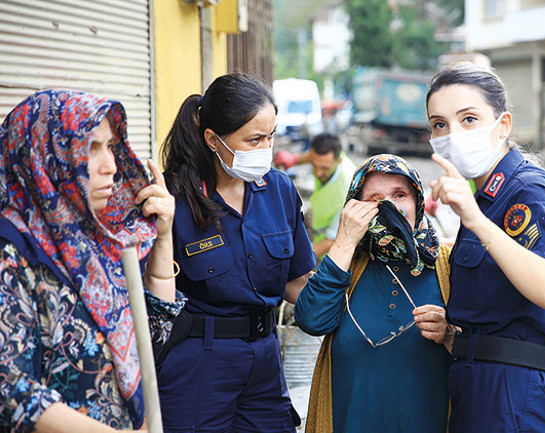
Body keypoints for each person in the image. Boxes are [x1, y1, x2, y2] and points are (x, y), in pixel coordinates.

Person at [0, 89, 184, 432]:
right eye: (90, 149)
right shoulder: (11, 252)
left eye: (111, 147)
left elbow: (153, 335)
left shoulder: (99, 240)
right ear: (45, 156)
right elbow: (10, 390)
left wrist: (162, 237)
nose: (110, 166)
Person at [157, 73, 315, 432]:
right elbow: (151, 299)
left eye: (271, 136)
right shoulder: (174, 198)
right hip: (198, 362)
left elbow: (298, 282)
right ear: (213, 139)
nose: (266, 148)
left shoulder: (278, 190)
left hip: (265, 359)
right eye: (254, 139)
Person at [426, 62, 545, 432]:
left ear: (503, 125)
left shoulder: (525, 190)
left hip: (512, 393)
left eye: (469, 119)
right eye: (439, 124)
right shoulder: (484, 196)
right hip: (475, 383)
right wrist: (450, 333)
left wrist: (476, 219)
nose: (453, 134)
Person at [294, 154, 454, 433]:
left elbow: (486, 348)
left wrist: (450, 334)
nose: (388, 206)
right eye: (373, 199)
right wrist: (344, 241)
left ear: (418, 201)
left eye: (400, 194)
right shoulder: (348, 264)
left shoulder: (450, 263)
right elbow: (311, 319)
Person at [274, 133, 357, 258]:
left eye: (324, 168)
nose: (318, 173)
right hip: (318, 233)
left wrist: (299, 262)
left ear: (338, 161)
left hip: (331, 251)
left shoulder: (348, 193)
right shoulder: (329, 158)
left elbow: (331, 240)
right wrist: (294, 159)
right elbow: (314, 157)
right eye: (315, 165)